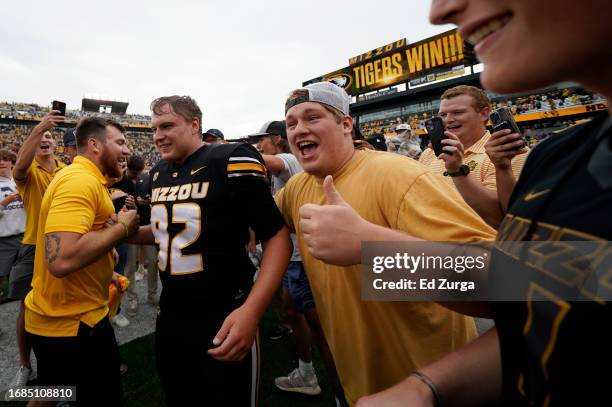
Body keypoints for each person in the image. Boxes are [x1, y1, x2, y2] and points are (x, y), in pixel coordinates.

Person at [307, 1, 612, 405]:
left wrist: (376, 251)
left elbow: (510, 282)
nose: (441, 11)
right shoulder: (560, 156)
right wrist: (428, 386)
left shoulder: (529, 157)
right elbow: (549, 304)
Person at [275, 81, 496, 405]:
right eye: (291, 123)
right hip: (359, 386)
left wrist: (371, 246)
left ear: (346, 124)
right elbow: (262, 226)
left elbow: (506, 282)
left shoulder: (400, 175)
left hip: (432, 387)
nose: (299, 130)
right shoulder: (297, 187)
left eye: (312, 117)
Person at [124, 95, 291, 406]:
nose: (158, 135)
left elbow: (278, 237)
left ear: (194, 124)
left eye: (167, 125)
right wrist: (121, 233)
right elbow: (168, 231)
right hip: (172, 313)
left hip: (224, 311)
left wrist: (252, 311)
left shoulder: (231, 158)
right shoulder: (159, 171)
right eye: (154, 128)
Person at [23, 117, 137, 406]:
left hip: (67, 316)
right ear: (95, 144)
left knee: (51, 393)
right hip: (72, 324)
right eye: (120, 142)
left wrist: (103, 262)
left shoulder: (87, 179)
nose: (127, 151)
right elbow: (61, 259)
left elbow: (77, 243)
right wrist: (121, 228)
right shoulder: (80, 180)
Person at [249, 120, 345, 403]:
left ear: (277, 140)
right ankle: (308, 372)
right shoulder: (297, 182)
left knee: (322, 328)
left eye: (262, 139)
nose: (259, 144)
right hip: (295, 255)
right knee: (292, 310)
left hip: (302, 257)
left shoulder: (289, 159)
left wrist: (217, 153)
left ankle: (341, 391)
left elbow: (472, 279)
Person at [6, 111, 66, 390]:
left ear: (56, 145)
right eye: (41, 136)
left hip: (64, 244)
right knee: (26, 309)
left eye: (50, 136)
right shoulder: (28, 172)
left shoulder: (67, 171)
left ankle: (62, 366)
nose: (45, 138)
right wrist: (38, 127)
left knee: (64, 306)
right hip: (33, 246)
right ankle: (25, 365)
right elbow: (18, 168)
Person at [419, 85, 528, 228]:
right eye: (443, 115)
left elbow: (499, 218)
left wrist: (457, 171)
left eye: (458, 112)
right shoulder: (429, 154)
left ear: (484, 113)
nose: (448, 120)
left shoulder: (507, 152)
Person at [0, 150, 26, 301]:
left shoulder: (21, 182)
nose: (2, 162)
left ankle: (17, 297)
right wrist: (5, 202)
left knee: (22, 274)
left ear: (12, 163)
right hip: (3, 238)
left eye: (5, 159)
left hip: (24, 235)